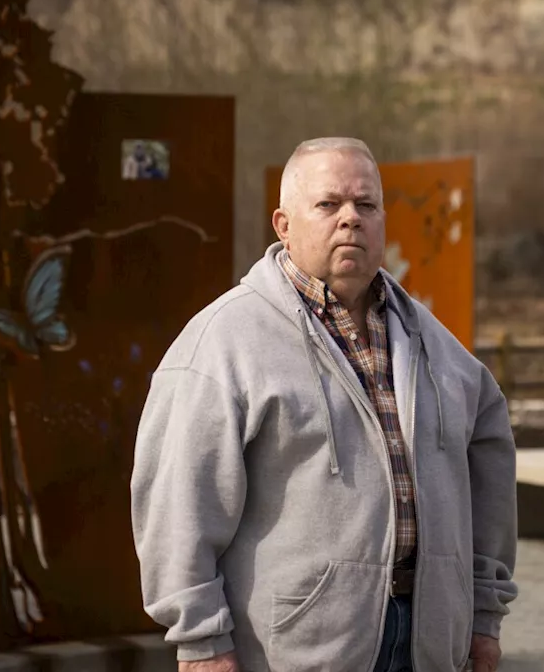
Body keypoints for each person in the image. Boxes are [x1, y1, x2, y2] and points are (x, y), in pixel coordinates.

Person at [130, 137, 519, 672]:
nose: (350, 219)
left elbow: (490, 473)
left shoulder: (434, 344)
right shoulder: (223, 342)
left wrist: (482, 613)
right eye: (328, 204)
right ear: (283, 224)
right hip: (300, 648)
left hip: (431, 641)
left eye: (366, 205)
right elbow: (178, 502)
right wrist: (201, 641)